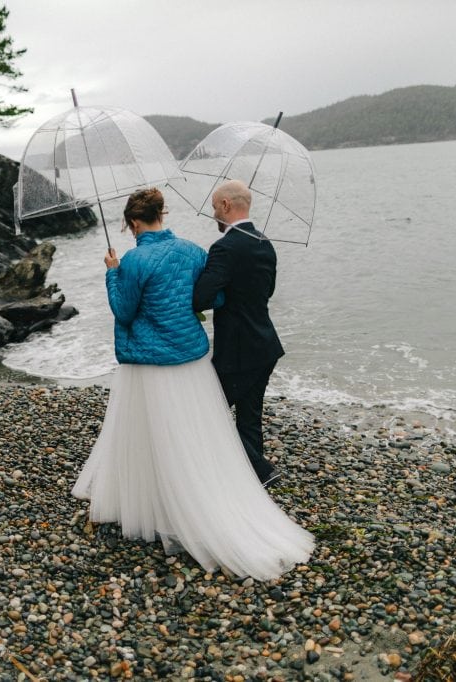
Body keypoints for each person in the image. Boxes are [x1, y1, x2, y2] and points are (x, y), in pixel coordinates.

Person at [71, 188, 314, 580]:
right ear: (161, 215)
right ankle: (211, 491)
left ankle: (157, 505)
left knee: (150, 432)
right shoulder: (193, 251)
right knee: (195, 430)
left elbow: (124, 309)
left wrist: (112, 273)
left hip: (150, 360)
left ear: (134, 223)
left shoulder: (133, 259)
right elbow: (214, 298)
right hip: (191, 357)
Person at [193, 179, 285, 488]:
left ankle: (262, 470)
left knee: (209, 413)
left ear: (226, 206)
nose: (213, 214)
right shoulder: (264, 242)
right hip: (266, 345)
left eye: (214, 207)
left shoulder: (225, 248)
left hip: (238, 351)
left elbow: (201, 298)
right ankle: (251, 480)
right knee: (249, 414)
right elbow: (267, 290)